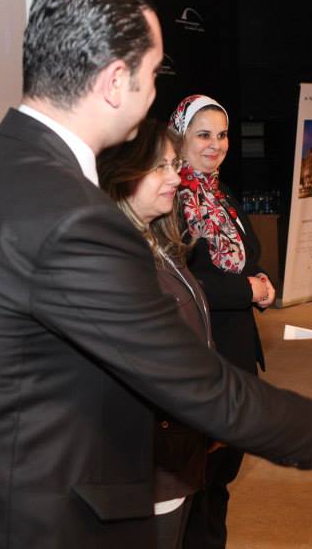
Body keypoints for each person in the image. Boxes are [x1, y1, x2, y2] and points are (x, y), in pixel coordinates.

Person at [0, 0, 312, 549]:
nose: (155, 92)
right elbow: (189, 380)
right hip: (42, 518)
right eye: (152, 74)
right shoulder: (73, 215)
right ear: (114, 82)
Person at [168, 94, 276, 549]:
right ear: (179, 138)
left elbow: (246, 257)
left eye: (222, 134)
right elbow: (176, 282)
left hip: (237, 351)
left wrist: (261, 278)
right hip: (200, 353)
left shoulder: (220, 193)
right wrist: (246, 291)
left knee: (221, 477)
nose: (216, 144)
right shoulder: (168, 197)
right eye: (203, 135)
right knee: (194, 482)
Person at [97, 119, 209, 549]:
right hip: (145, 464)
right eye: (160, 167)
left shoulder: (157, 243)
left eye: (174, 165)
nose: (176, 178)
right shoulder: (116, 260)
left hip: (176, 452)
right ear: (121, 174)